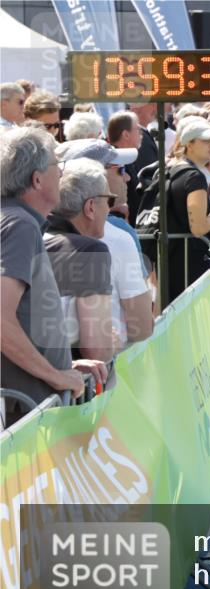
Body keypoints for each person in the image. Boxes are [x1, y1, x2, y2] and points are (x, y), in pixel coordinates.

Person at [1, 128, 106, 424]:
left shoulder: (17, 221)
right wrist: (56, 375)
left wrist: (64, 365)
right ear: (36, 179)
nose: (61, 174)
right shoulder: (19, 225)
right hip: (23, 414)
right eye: (56, 167)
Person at [56, 140, 152, 347]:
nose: (127, 177)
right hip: (104, 367)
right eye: (120, 170)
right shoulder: (117, 237)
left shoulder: (38, 231)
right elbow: (142, 326)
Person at [137, 119, 210, 305]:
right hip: (190, 265)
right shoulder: (194, 177)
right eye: (206, 141)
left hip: (168, 259)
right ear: (189, 144)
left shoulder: (168, 169)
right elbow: (198, 228)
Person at [44, 159, 116, 363]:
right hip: (58, 385)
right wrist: (111, 342)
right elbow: (97, 351)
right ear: (90, 206)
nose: (110, 210)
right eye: (109, 201)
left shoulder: (24, 235)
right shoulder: (90, 251)